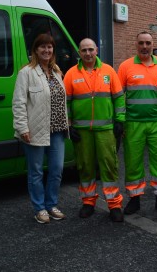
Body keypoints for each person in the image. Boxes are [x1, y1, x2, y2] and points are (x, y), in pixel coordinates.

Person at [64, 38, 126, 223]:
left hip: (105, 129)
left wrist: (120, 120)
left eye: (91, 49)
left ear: (97, 50)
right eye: (84, 50)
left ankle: (114, 205)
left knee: (109, 166)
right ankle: (88, 202)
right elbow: (65, 102)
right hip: (82, 131)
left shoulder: (108, 71)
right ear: (79, 52)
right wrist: (68, 124)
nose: (88, 53)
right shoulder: (71, 74)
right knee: (85, 166)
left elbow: (119, 98)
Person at [12, 33, 70, 224]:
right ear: (35, 50)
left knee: (56, 169)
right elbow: (18, 103)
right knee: (36, 171)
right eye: (42, 47)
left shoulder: (56, 72)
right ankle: (39, 208)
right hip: (35, 129)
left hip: (58, 129)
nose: (47, 50)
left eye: (50, 47)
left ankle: (51, 204)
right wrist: (22, 128)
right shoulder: (26, 73)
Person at [117, 31, 157, 215]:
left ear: (152, 45)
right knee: (133, 162)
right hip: (133, 123)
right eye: (141, 42)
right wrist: (120, 121)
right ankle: (134, 200)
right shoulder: (126, 66)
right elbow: (118, 97)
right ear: (136, 44)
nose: (144, 46)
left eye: (148, 43)